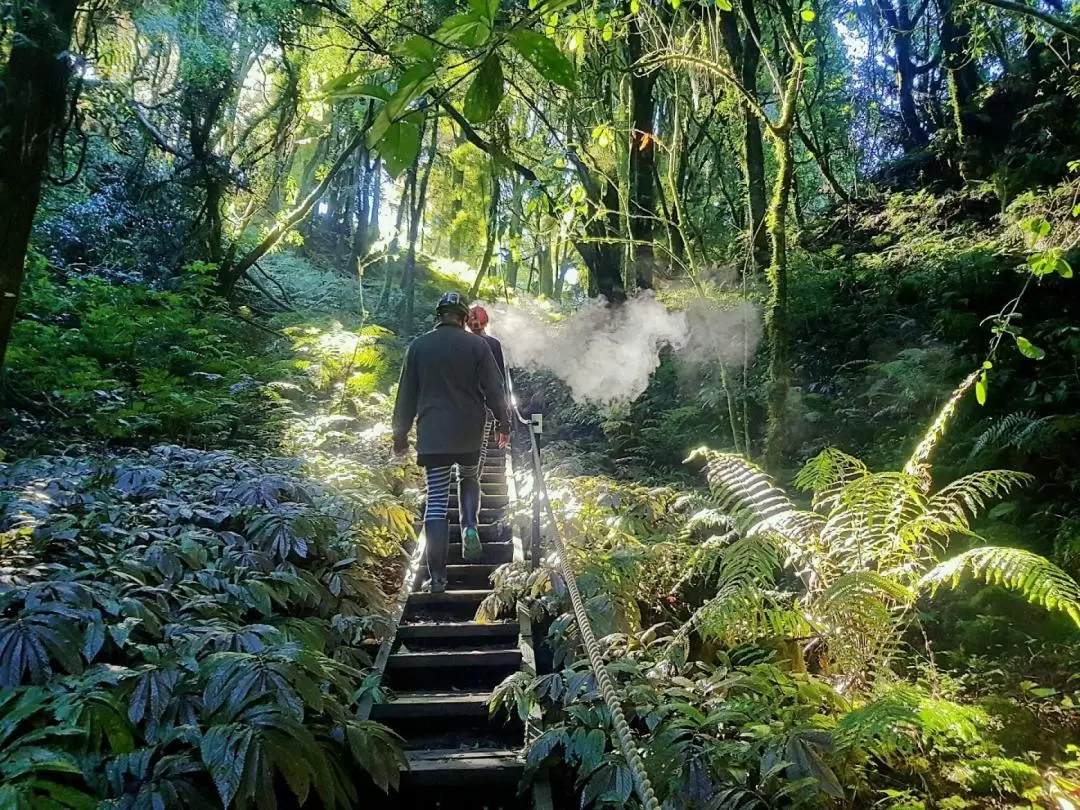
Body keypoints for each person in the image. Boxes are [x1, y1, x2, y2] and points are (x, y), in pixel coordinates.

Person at [392, 292, 510, 593]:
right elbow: (495, 389)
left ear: (438, 314)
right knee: (469, 476)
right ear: (462, 316)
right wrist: (503, 422)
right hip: (470, 429)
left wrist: (400, 435)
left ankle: (438, 579)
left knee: (435, 503)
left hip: (432, 433)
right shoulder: (478, 345)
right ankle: (470, 524)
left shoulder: (418, 346)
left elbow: (406, 394)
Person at [466, 304, 507, 471]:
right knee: (480, 445)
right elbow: (499, 380)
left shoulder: (461, 343)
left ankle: (461, 480)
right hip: (485, 402)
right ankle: (472, 482)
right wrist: (503, 420)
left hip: (462, 401)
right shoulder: (493, 344)